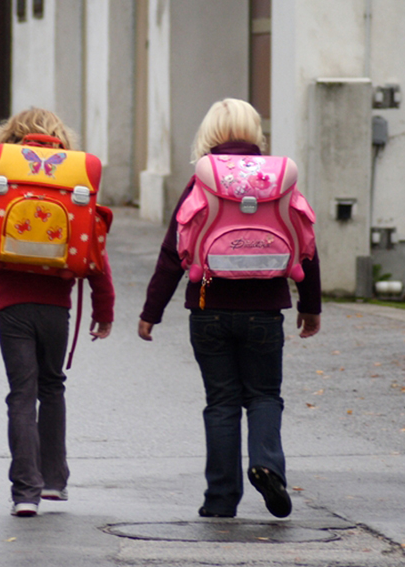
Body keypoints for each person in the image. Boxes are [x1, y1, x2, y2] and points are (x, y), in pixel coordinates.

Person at [137, 98, 321, 519]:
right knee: (264, 396)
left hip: (208, 308)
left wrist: (152, 311)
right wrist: (310, 305)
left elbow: (172, 251)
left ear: (210, 133)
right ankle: (266, 464)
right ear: (255, 132)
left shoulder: (201, 181)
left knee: (220, 402)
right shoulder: (279, 180)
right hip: (265, 308)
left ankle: (220, 500)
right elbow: (307, 244)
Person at [0, 108, 115, 517]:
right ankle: (55, 481)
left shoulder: (2, 182)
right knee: (52, 386)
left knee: (21, 394)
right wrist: (103, 309)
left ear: (11, 138)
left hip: (11, 305)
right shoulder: (72, 183)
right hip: (56, 306)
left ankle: (26, 492)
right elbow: (96, 254)